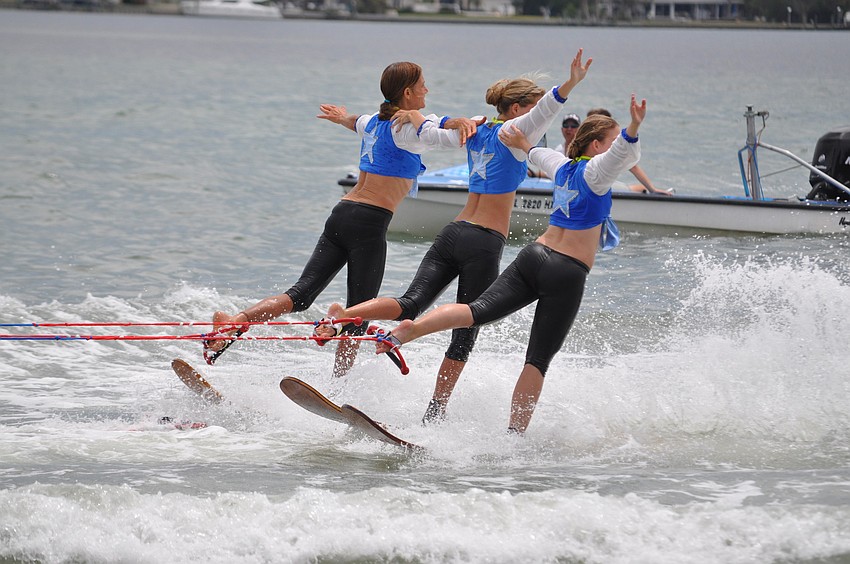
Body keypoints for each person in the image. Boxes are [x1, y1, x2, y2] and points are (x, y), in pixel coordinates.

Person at [319, 50, 593, 424]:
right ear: (516, 109)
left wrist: (413, 114)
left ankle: (343, 316)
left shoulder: (475, 129)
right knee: (465, 334)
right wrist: (571, 84)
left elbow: (427, 126)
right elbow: (547, 108)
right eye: (529, 109)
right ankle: (434, 412)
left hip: (453, 231)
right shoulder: (519, 131)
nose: (540, 120)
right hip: (483, 242)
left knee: (410, 301)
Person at [375, 95, 647, 435]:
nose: (612, 150)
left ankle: (410, 329)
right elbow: (623, 153)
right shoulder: (596, 171)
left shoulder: (561, 166)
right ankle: (514, 439)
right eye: (608, 141)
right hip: (567, 271)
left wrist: (523, 144)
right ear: (595, 146)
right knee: (536, 361)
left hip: (533, 255)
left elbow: (536, 153)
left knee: (475, 311)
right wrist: (634, 127)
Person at [204, 61, 478, 375]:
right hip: (369, 223)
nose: (427, 90)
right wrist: (462, 121)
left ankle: (235, 323)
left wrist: (339, 118)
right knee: (358, 314)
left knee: (302, 293)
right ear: (407, 92)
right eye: (422, 85)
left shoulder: (375, 122)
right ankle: (339, 384)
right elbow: (443, 132)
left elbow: (355, 121)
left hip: (341, 214)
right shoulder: (406, 129)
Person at [585, 107, 671, 195]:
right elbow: (633, 166)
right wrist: (652, 189)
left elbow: (633, 166)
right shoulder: (607, 147)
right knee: (641, 188)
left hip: (590, 184)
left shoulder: (580, 143)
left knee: (641, 188)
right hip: (599, 186)